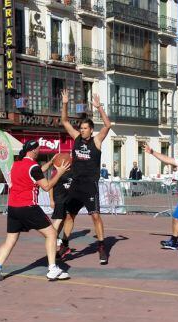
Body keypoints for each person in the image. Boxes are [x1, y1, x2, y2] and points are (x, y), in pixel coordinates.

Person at [0, 140, 72, 283]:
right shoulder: (33, 167)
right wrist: (59, 172)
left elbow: (36, 172)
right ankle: (52, 269)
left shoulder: (16, 164)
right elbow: (46, 186)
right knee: (52, 233)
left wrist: (51, 163)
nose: (39, 151)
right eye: (38, 149)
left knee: (10, 240)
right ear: (33, 151)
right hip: (28, 207)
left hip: (13, 208)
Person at [60, 88, 112, 265]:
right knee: (69, 216)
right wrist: (65, 103)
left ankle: (102, 247)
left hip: (90, 184)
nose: (81, 130)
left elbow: (107, 125)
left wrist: (99, 108)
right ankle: (65, 244)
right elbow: (65, 121)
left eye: (84, 128)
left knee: (95, 216)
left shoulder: (96, 141)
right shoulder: (76, 138)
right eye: (80, 128)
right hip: (76, 184)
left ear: (91, 130)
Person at [50, 159, 75, 260]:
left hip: (68, 200)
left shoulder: (74, 171)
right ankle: (54, 237)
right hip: (59, 200)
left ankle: (63, 244)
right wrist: (51, 200)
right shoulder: (57, 172)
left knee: (67, 219)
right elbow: (50, 185)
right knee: (59, 220)